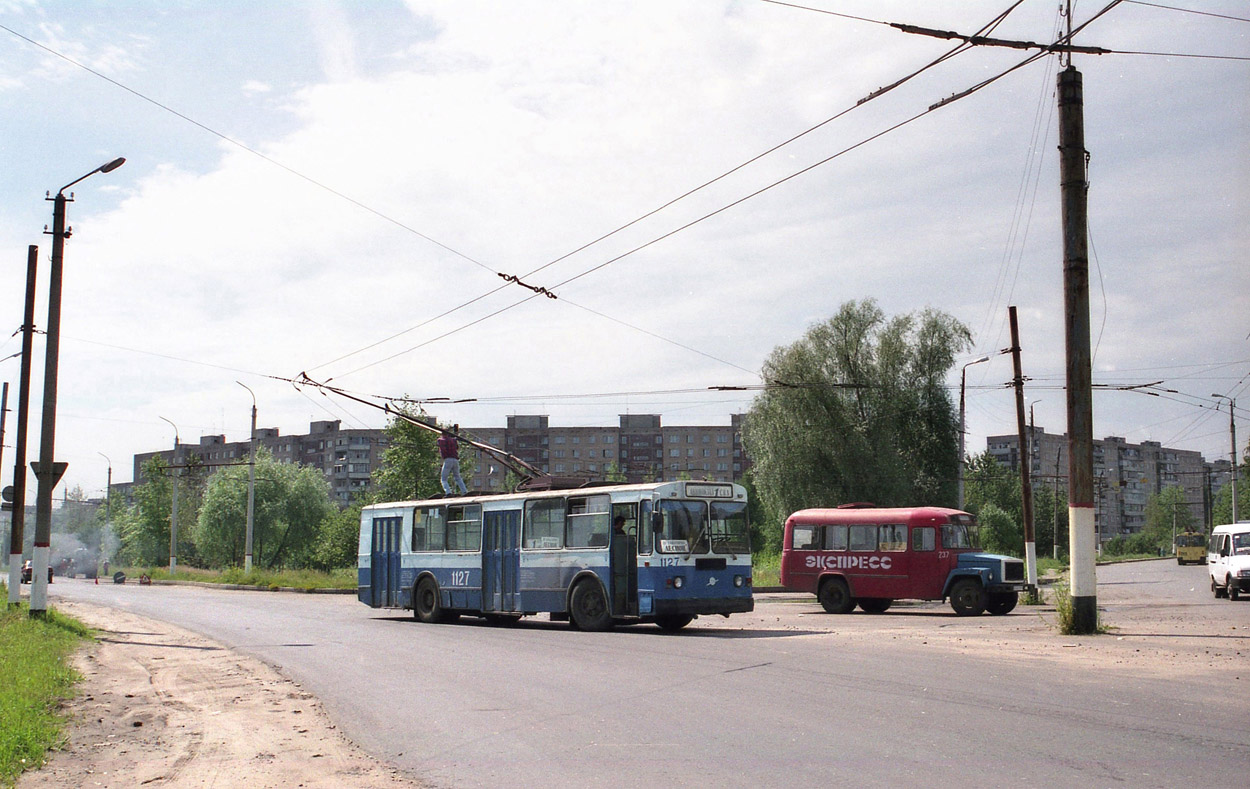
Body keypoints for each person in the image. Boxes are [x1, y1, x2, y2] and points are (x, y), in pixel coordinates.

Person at [437, 425, 468, 495]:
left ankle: (448, 492)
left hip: (448, 459)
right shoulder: (453, 440)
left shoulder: (441, 440)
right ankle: (464, 491)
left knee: (443, 479)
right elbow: (457, 447)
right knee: (458, 477)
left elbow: (439, 443)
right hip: (455, 460)